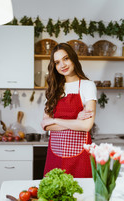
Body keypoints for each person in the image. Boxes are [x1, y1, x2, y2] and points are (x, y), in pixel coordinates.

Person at [41, 43, 97, 178]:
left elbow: (86, 125)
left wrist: (54, 120)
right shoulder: (53, 89)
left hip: (80, 158)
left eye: (66, 58)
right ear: (54, 66)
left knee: (81, 197)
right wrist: (75, 121)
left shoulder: (87, 85)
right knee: (53, 196)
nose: (62, 65)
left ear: (73, 58)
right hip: (54, 155)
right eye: (57, 62)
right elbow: (45, 125)